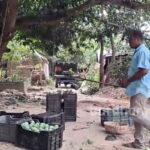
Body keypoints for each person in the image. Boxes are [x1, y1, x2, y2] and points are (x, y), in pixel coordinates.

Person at [122, 30, 150, 149]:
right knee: (138, 118)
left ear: (137, 38)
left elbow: (144, 71)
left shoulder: (142, 51)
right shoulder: (139, 51)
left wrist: (129, 80)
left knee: (135, 114)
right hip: (137, 88)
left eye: (130, 40)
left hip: (140, 88)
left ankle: (140, 141)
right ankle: (139, 143)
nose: (129, 42)